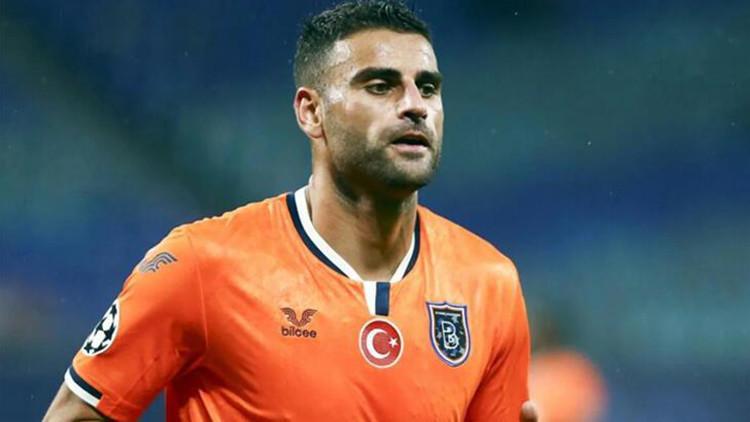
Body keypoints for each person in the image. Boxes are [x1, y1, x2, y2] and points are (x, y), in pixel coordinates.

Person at [45, 1, 538, 420]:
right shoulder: (201, 265)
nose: (415, 106)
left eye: (427, 87)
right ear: (311, 112)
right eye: (380, 86)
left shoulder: (489, 282)